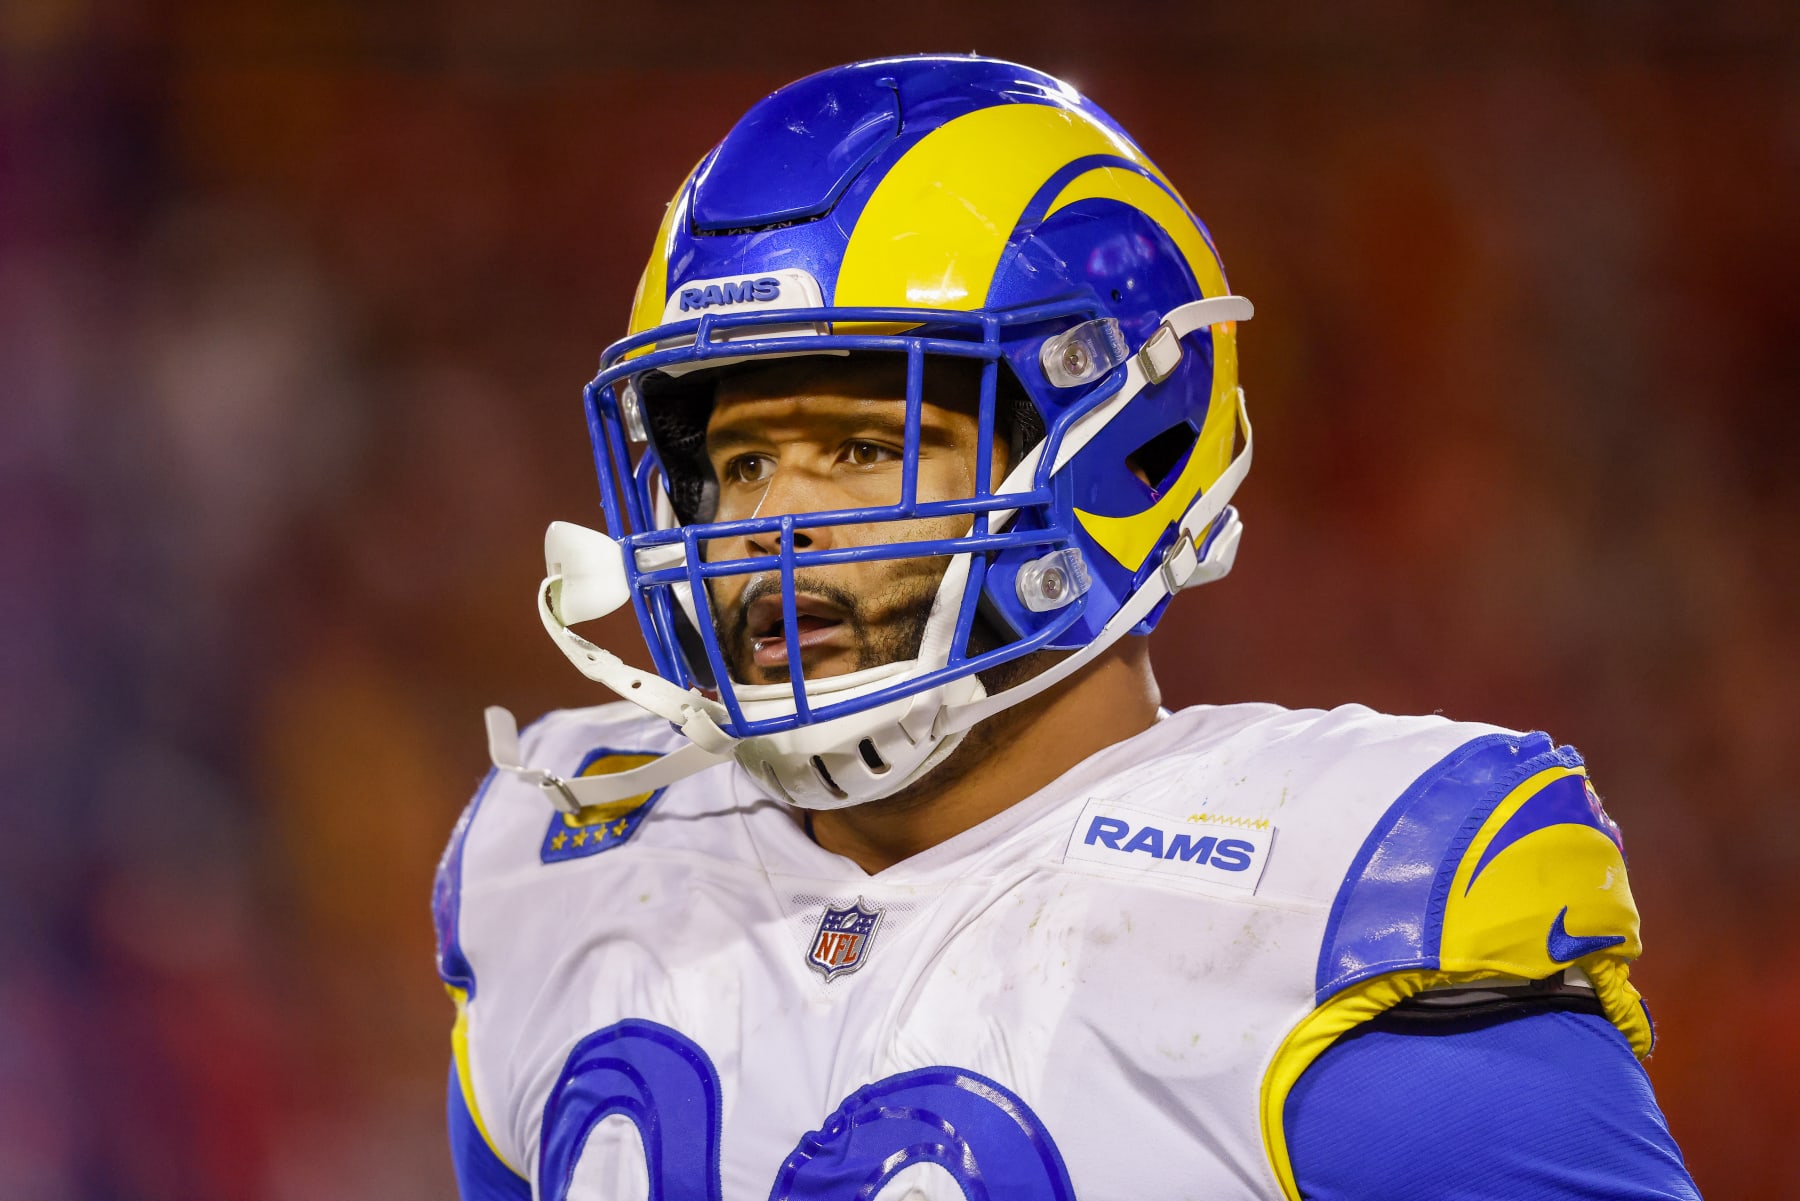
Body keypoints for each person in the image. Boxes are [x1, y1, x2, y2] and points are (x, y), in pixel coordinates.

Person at [433, 55, 1700, 1200]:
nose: (774, 525)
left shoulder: (1331, 917)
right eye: (742, 460)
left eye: (866, 449)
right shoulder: (563, 869)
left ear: (1114, 457)